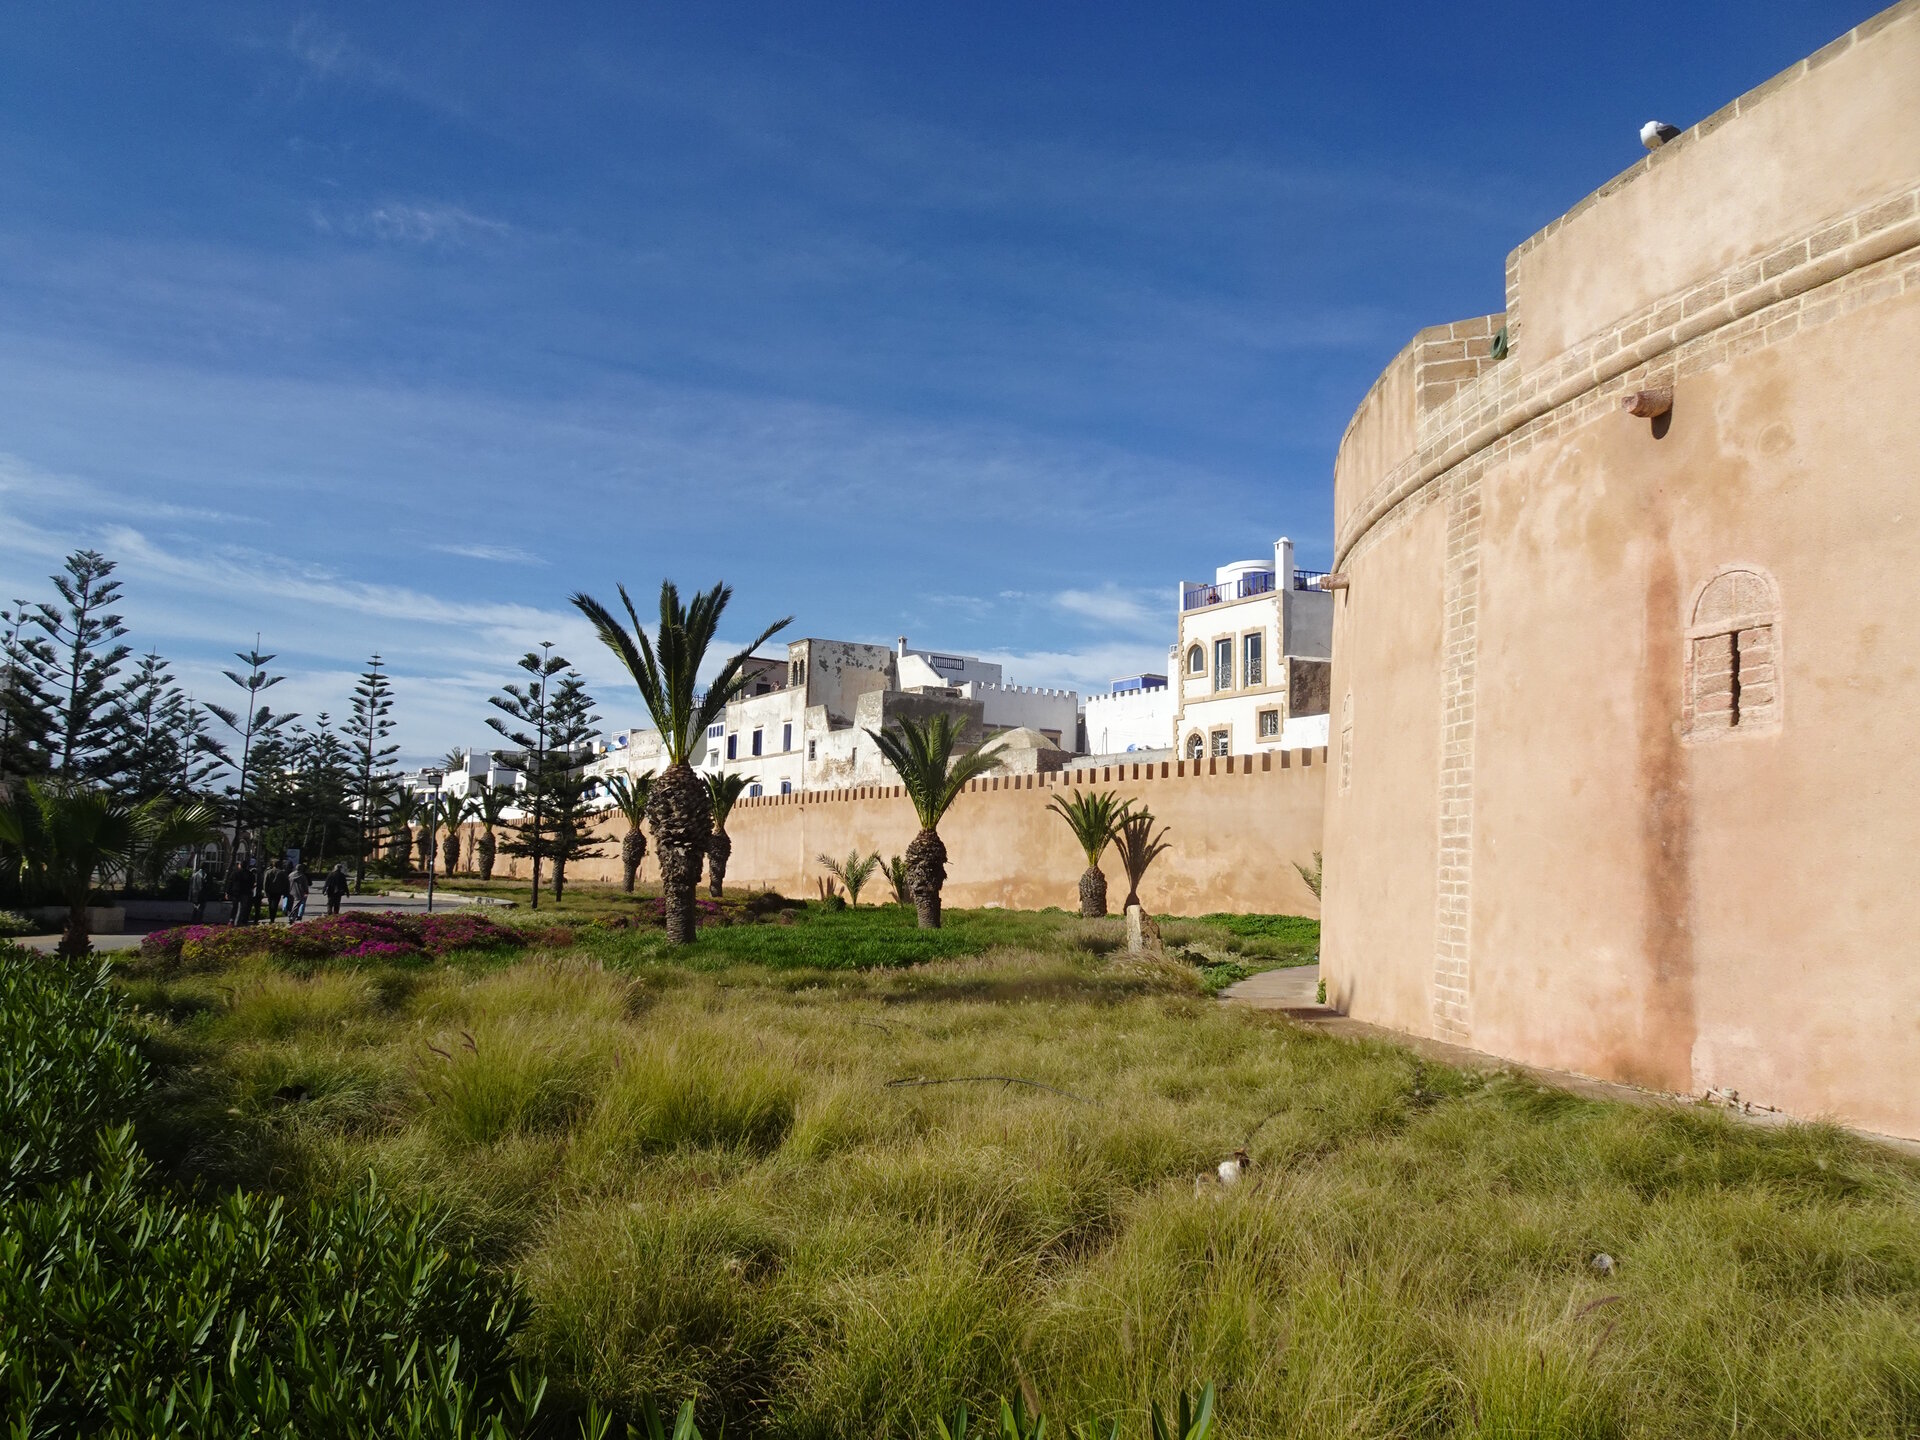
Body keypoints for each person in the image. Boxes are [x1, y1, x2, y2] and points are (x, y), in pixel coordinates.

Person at [225, 861, 251, 927]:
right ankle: (239, 921)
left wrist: (227, 892)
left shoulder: (235, 873)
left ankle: (232, 920)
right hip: (245, 893)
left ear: (240, 865)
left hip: (236, 893)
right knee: (242, 908)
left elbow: (230, 883)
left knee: (234, 907)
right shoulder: (249, 874)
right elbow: (251, 883)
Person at [263, 860, 290, 925]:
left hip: (270, 891)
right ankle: (273, 917)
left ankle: (271, 917)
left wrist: (265, 891)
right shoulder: (282, 873)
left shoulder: (268, 872)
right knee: (275, 904)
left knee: (270, 904)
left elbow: (265, 882)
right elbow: (286, 883)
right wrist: (285, 891)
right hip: (278, 891)